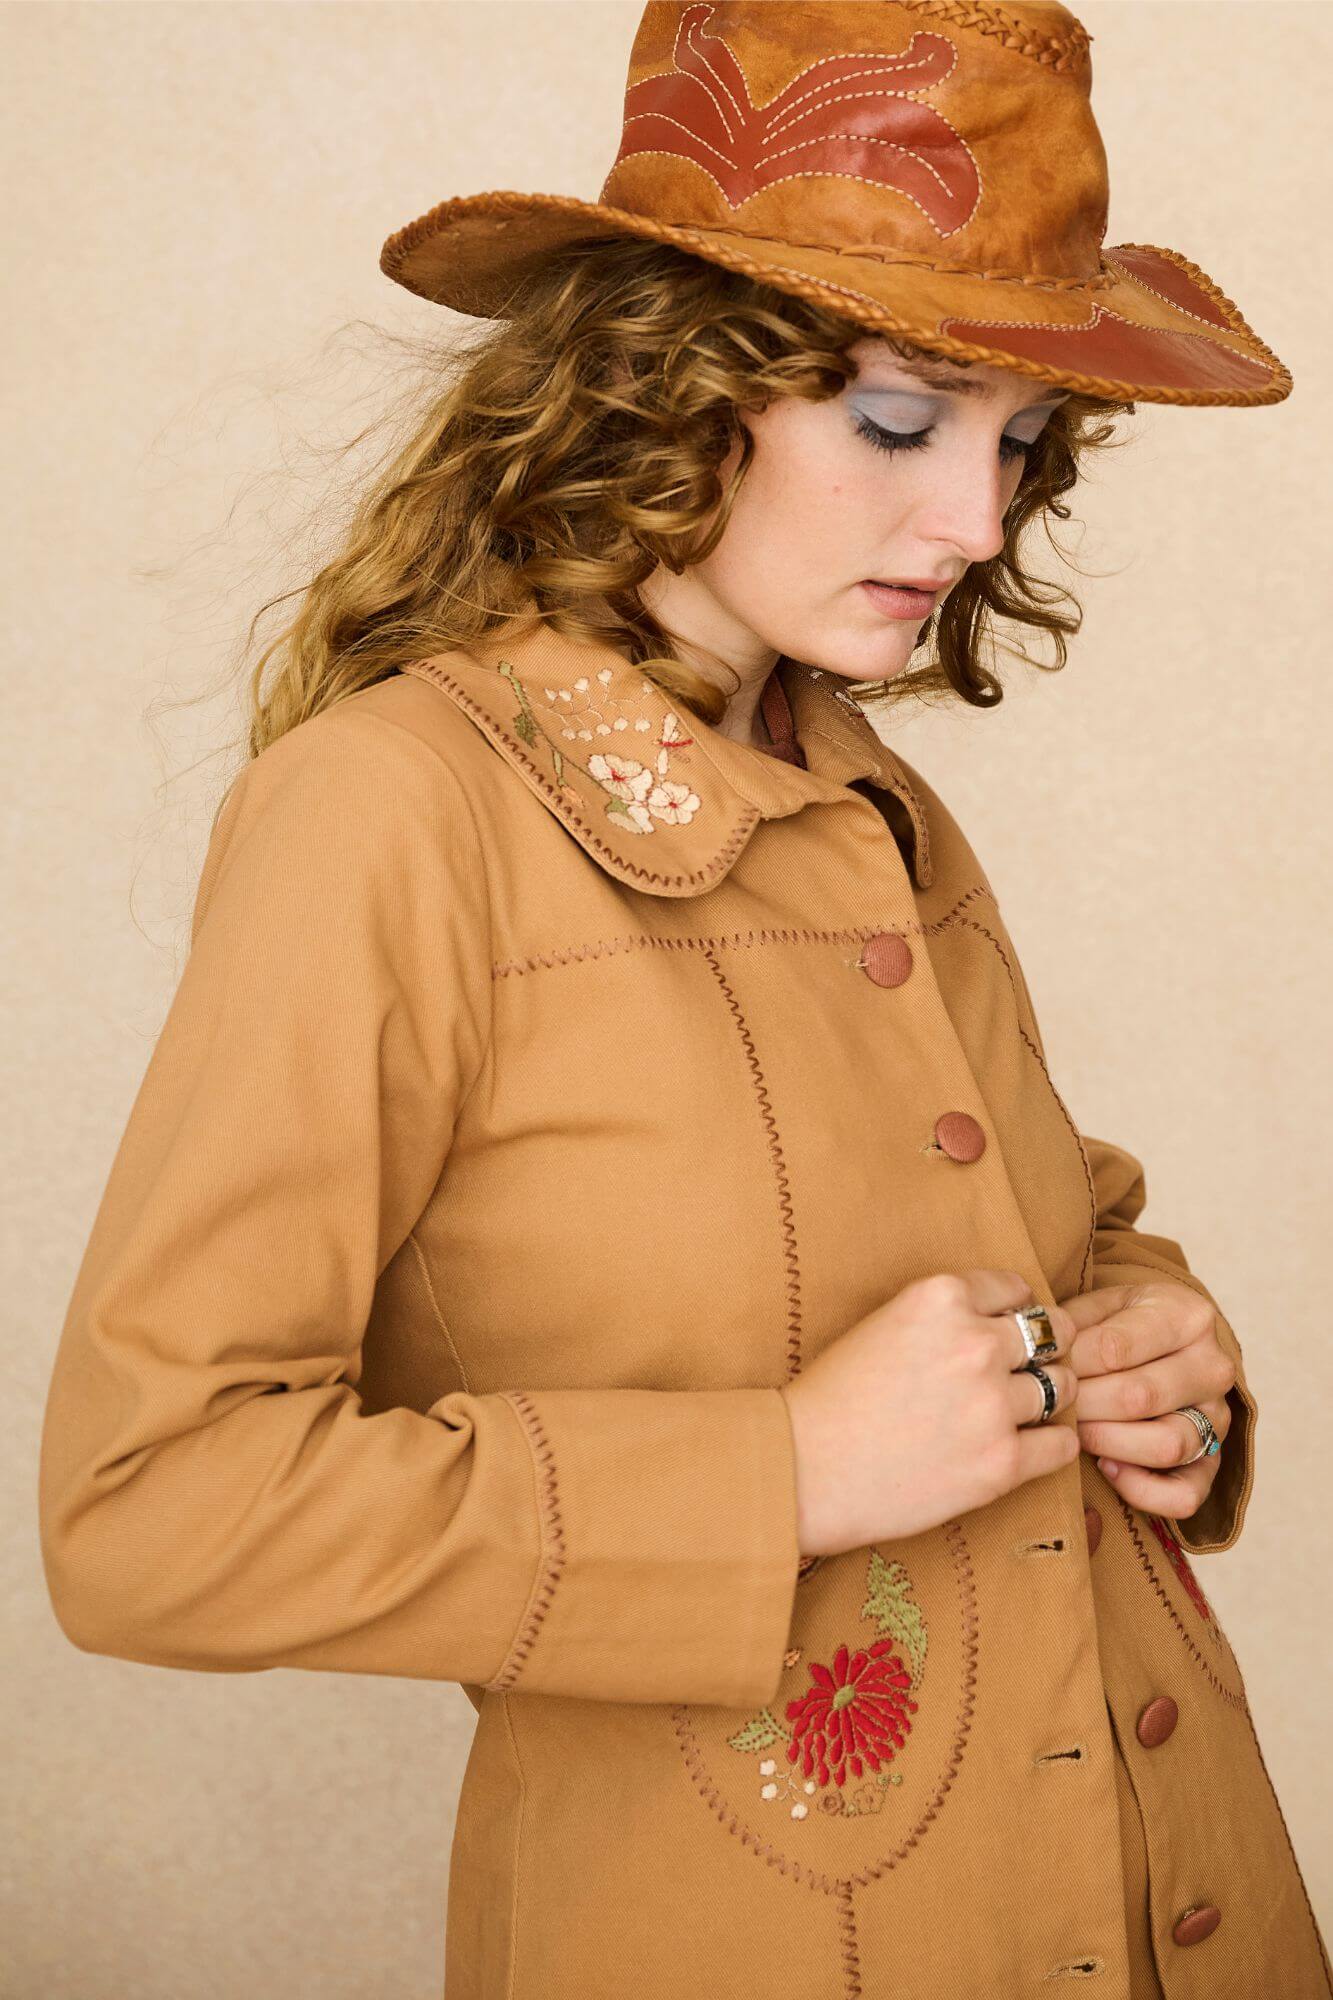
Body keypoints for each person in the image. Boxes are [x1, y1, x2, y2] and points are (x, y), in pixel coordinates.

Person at [37, 4, 1330, 1997]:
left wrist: (1155, 1347)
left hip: (1181, 1893)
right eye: (897, 422)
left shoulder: (863, 790)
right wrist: (784, 1470)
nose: (976, 522)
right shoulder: (390, 815)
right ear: (662, 379)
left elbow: (1025, 1217)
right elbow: (150, 1510)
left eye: (1017, 442)